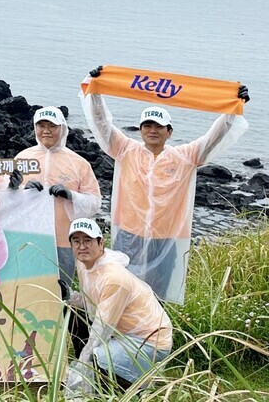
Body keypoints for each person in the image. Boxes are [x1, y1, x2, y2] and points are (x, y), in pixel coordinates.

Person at [82, 66, 249, 303]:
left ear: (169, 132)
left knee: (156, 299)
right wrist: (96, 90)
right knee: (120, 294)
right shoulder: (125, 150)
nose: (152, 130)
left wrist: (232, 109)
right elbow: (102, 125)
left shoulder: (185, 156)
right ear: (140, 130)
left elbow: (214, 137)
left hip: (165, 240)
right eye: (147, 126)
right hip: (129, 236)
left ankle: (155, 338)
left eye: (158, 126)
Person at [65, 218, 172, 392]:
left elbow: (101, 331)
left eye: (87, 241)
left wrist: (82, 364)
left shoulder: (113, 279)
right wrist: (69, 297)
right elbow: (90, 300)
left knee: (97, 355)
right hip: (121, 332)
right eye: (76, 241)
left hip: (149, 342)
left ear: (101, 243)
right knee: (71, 313)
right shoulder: (84, 264)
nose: (82, 246)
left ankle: (124, 387)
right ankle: (102, 377)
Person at [17, 106, 101, 286]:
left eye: (52, 126)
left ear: (62, 128)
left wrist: (71, 195)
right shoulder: (22, 159)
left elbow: (95, 203)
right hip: (28, 238)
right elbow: (5, 197)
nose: (46, 131)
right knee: (27, 288)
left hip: (64, 240)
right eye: (41, 126)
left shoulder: (79, 163)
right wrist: (22, 191)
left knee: (61, 290)